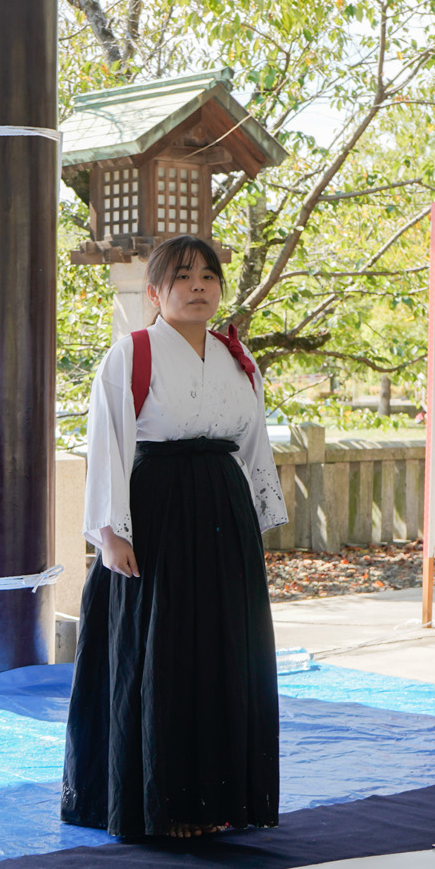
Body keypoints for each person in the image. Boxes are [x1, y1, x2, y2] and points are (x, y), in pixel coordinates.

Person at [63, 235, 287, 838]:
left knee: (225, 650)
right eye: (182, 277)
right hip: (157, 511)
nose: (198, 287)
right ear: (155, 292)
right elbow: (108, 445)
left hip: (223, 510)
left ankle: (221, 800)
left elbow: (253, 445)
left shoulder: (238, 358)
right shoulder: (131, 354)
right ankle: (165, 804)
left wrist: (252, 521)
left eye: (208, 277)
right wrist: (112, 535)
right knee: (164, 651)